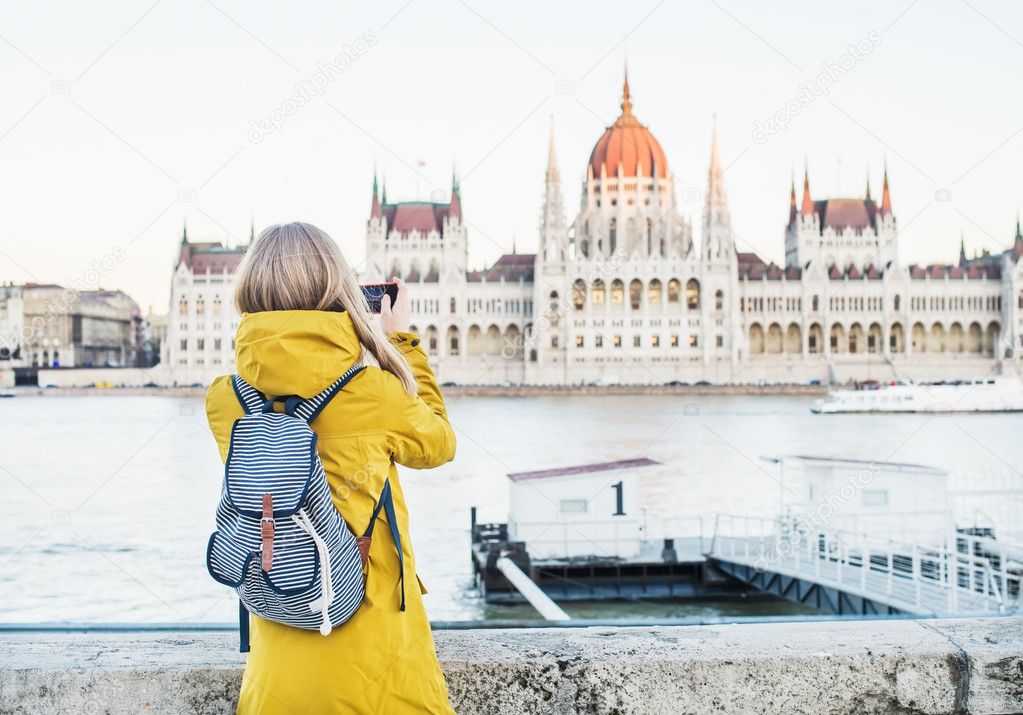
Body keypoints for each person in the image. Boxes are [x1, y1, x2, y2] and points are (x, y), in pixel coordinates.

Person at [205, 221, 457, 714]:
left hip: (275, 669)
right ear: (338, 290)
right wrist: (400, 343)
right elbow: (440, 443)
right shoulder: (374, 394)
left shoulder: (225, 402)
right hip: (380, 668)